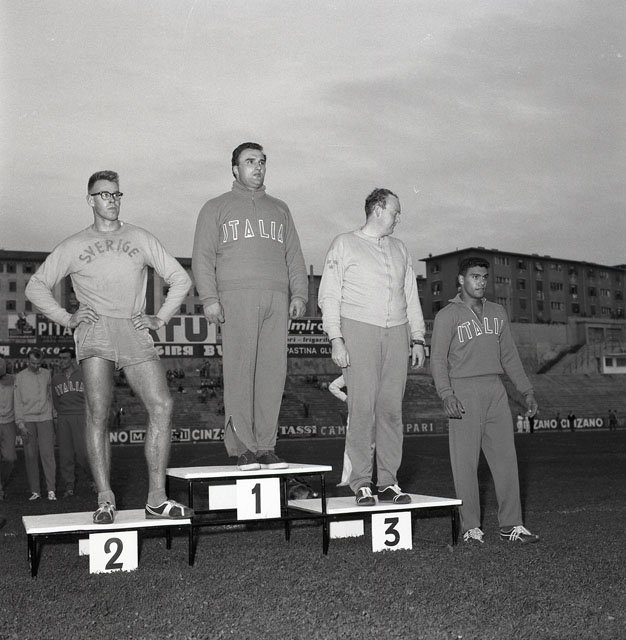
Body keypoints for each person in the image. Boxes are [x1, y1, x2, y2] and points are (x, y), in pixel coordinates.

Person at [25, 169, 194, 524]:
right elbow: (35, 286)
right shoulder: (74, 244)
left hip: (134, 326)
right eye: (105, 194)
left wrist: (160, 318)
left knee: (162, 405)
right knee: (98, 412)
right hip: (96, 329)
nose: (113, 200)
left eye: (117, 194)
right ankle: (105, 499)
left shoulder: (140, 237)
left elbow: (180, 278)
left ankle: (157, 499)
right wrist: (67, 317)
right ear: (90, 200)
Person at [192, 142, 308, 471]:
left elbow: (294, 256)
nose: (257, 167)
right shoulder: (216, 207)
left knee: (273, 374)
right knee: (240, 373)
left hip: (276, 298)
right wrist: (209, 298)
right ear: (235, 169)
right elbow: (202, 257)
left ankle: (266, 446)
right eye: (249, 161)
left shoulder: (280, 209)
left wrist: (299, 294)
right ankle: (243, 447)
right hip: (236, 296)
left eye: (261, 161)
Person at [318, 188, 425, 506]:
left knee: (391, 411)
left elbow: (411, 295)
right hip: (358, 329)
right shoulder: (344, 243)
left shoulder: (400, 248)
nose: (398, 218)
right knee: (362, 409)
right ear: (378, 210)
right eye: (395, 211)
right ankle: (362, 481)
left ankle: (389, 481)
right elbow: (329, 295)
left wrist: (418, 337)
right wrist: (336, 338)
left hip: (397, 333)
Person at [430, 257, 540, 544]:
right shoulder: (447, 316)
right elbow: (438, 360)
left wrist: (526, 390)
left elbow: (510, 356)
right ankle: (470, 527)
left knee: (506, 461)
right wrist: (446, 393)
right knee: (465, 464)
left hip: (495, 390)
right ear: (461, 280)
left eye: (484, 277)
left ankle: (511, 525)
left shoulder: (497, 312)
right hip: (463, 391)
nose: (480, 282)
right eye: (474, 276)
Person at [14, 349, 56, 501]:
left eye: (38, 363)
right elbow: (17, 401)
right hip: (28, 421)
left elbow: (50, 397)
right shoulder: (20, 377)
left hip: (45, 419)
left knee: (48, 455)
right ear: (27, 361)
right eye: (32, 363)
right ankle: (35, 491)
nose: (36, 366)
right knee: (30, 456)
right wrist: (20, 424)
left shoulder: (47, 374)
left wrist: (53, 415)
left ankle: (51, 490)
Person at [52, 347, 91, 498]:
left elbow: (90, 397)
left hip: (81, 416)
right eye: (60, 358)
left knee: (83, 454)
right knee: (65, 455)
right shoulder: (56, 379)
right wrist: (60, 416)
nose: (62, 361)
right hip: (63, 418)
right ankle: (69, 486)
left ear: (72, 360)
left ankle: (94, 479)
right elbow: (56, 401)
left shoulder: (83, 375)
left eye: (65, 358)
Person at [0, 356, 18, 500]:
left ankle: (1, 483)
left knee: (10, 458)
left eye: (1, 364)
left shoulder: (15, 380)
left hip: (9, 423)